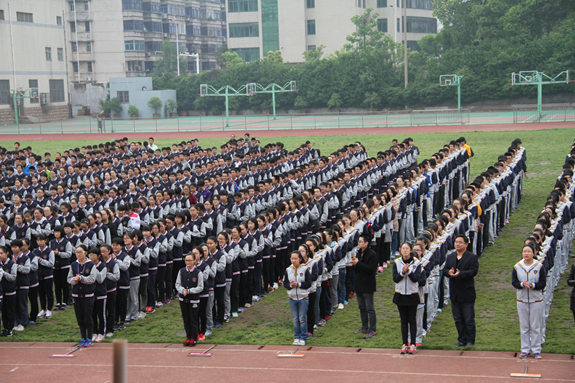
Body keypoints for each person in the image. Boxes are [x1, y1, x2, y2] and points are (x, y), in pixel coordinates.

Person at [444, 234, 479, 347]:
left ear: (466, 244)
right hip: (454, 292)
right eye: (456, 242)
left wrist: (460, 274)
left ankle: (470, 340)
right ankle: (461, 339)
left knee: (468, 318)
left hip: (467, 292)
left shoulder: (471, 257)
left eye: (460, 242)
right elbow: (445, 269)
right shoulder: (450, 257)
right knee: (458, 318)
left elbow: (473, 271)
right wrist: (448, 273)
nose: (457, 244)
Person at [512, 243, 546, 359]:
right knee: (524, 326)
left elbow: (542, 283)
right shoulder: (517, 266)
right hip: (521, 299)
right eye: (524, 251)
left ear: (534, 253)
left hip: (536, 299)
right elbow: (514, 282)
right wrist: (522, 284)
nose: (526, 253)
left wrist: (532, 285)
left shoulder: (539, 266)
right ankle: (525, 349)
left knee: (535, 326)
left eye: (528, 251)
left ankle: (536, 350)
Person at [393, 242, 421, 354]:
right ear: (400, 250)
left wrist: (408, 271)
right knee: (403, 320)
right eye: (403, 248)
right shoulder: (396, 262)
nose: (405, 251)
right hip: (400, 294)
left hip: (412, 294)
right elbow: (395, 278)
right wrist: (402, 272)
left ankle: (413, 344)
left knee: (412, 320)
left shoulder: (417, 263)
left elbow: (415, 278)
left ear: (410, 250)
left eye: (407, 248)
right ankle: (404, 343)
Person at [67, 245, 98, 347]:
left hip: (87, 294)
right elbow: (69, 278)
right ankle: (83, 337)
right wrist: (74, 281)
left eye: (80, 252)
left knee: (88, 317)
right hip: (76, 295)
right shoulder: (73, 265)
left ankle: (89, 337)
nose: (78, 254)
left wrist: (81, 279)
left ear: (85, 253)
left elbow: (92, 279)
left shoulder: (91, 265)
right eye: (77, 252)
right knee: (79, 318)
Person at [350, 234, 378, 339]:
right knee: (362, 307)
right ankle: (364, 327)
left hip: (367, 284)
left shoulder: (372, 254)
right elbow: (358, 268)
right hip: (359, 283)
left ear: (366, 243)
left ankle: (373, 329)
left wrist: (358, 263)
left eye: (361, 241)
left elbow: (371, 269)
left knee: (370, 307)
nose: (359, 243)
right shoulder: (358, 253)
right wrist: (354, 264)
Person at [175, 253, 204, 347]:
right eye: (186, 260)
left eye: (190, 260)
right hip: (183, 300)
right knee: (186, 319)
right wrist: (182, 290)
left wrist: (189, 291)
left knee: (193, 319)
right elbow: (177, 284)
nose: (188, 262)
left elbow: (200, 287)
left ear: (194, 261)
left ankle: (193, 338)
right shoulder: (181, 271)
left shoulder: (198, 273)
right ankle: (188, 336)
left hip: (194, 300)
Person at [283, 250, 311, 346]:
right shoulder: (288, 270)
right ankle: (296, 337)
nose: (293, 260)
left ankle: (303, 337)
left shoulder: (305, 269)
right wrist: (290, 285)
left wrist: (298, 284)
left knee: (302, 318)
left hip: (303, 297)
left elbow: (308, 283)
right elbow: (285, 283)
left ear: (300, 259)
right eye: (292, 258)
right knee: (295, 318)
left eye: (295, 258)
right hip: (292, 298)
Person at [0, 246, 17, 337]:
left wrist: (4, 273)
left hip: (10, 291)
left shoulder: (12, 264)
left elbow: (13, 277)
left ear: (7, 253)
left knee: (10, 311)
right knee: (3, 312)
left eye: (2, 253)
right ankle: (5, 328)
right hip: (2, 293)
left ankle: (10, 328)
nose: (0, 255)